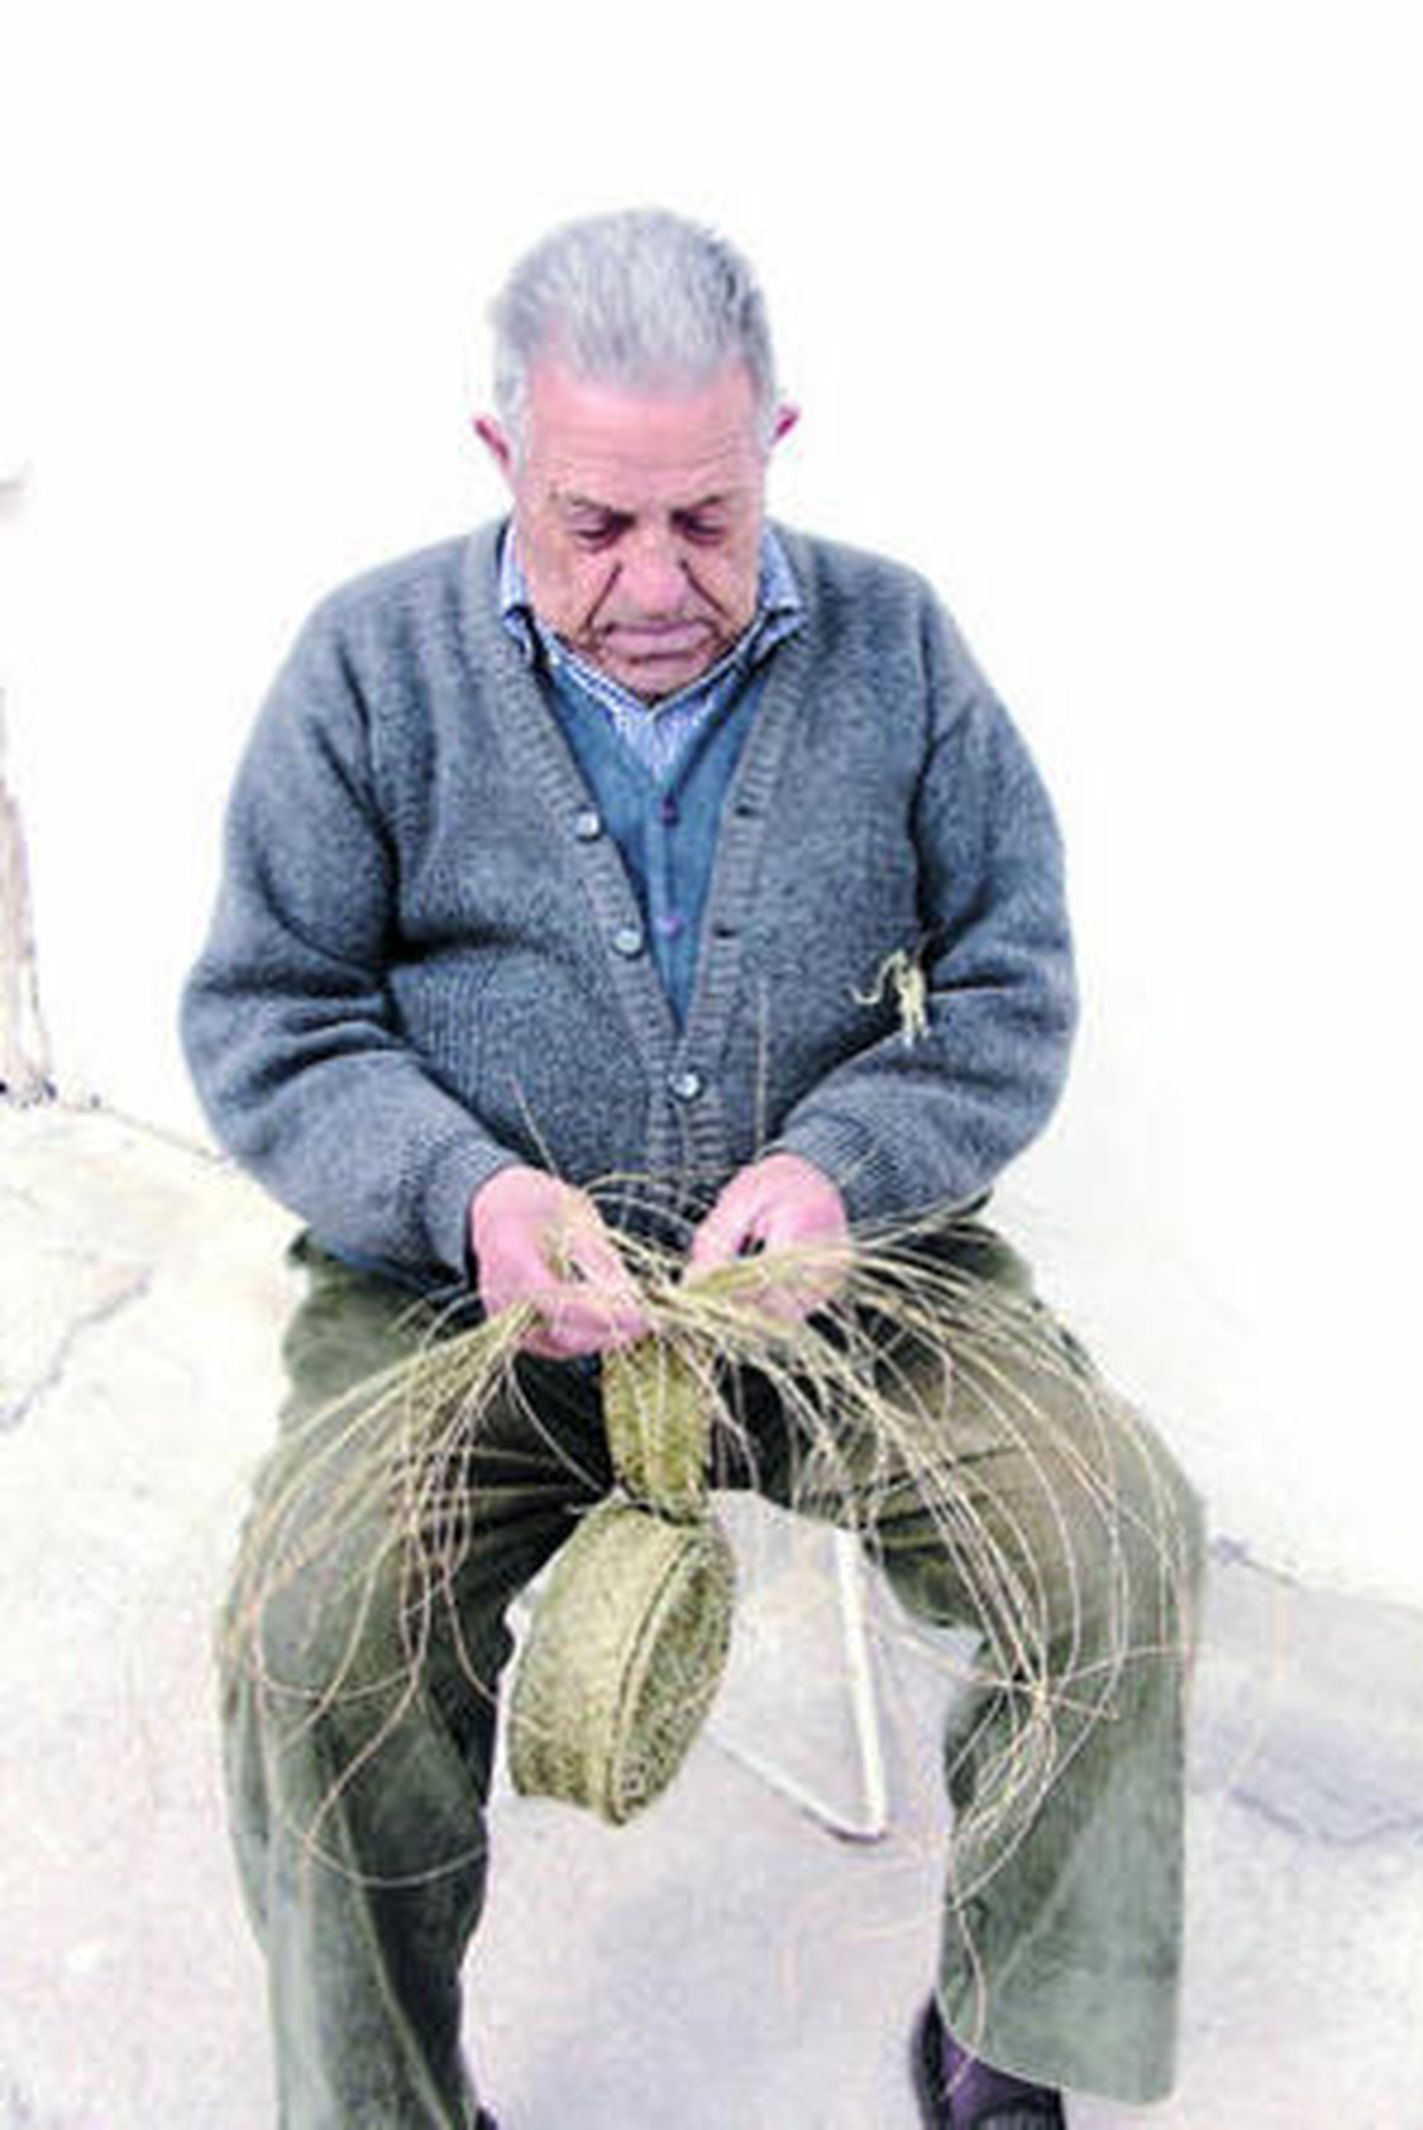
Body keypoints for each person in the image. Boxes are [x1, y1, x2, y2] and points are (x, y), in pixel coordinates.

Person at [183, 208, 1202, 2129]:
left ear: (774, 446)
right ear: (505, 462)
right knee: (314, 1636)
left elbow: (1007, 982)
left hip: (844, 1288)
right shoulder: (368, 669)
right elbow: (273, 1015)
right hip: (467, 1303)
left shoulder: (897, 648)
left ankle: (1006, 2051)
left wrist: (844, 1165)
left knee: (1116, 1549)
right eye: (596, 524)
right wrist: (470, 1198)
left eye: (708, 520)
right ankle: (383, 2109)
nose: (658, 580)